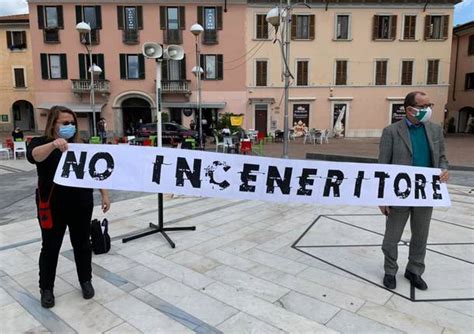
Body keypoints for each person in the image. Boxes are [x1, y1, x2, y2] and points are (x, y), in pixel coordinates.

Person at [26, 105, 111, 308]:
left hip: (81, 204)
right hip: (52, 206)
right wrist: (54, 145)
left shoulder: (81, 145)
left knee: (82, 244)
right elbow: (34, 156)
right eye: (65, 123)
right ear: (53, 124)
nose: (70, 126)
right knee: (50, 247)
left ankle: (85, 281)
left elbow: (96, 170)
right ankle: (46, 288)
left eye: (72, 123)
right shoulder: (41, 143)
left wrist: (104, 194)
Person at [378, 91, 449, 291]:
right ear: (410, 109)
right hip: (398, 193)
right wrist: (382, 198)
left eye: (429, 105)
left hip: (425, 192)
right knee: (392, 236)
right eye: (423, 106)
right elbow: (382, 166)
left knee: (421, 235)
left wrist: (444, 169)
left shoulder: (435, 130)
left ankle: (414, 270)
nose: (428, 110)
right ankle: (390, 270)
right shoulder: (391, 131)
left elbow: (442, 156)